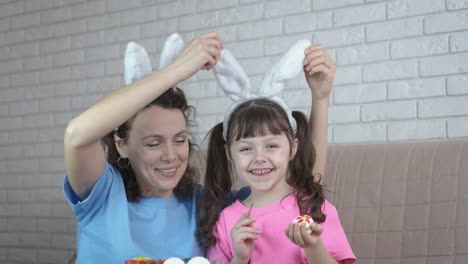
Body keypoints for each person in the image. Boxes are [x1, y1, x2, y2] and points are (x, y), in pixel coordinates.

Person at [63, 32, 235, 263]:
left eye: (180, 139)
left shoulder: (203, 203)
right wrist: (176, 72)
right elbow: (77, 135)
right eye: (153, 143)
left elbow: (285, 198)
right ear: (121, 144)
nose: (171, 155)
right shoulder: (103, 195)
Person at [196, 41, 356, 263]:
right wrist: (239, 259)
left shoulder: (313, 208)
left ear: (293, 148)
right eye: (245, 148)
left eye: (271, 145)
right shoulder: (226, 221)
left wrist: (313, 246)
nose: (259, 157)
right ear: (228, 153)